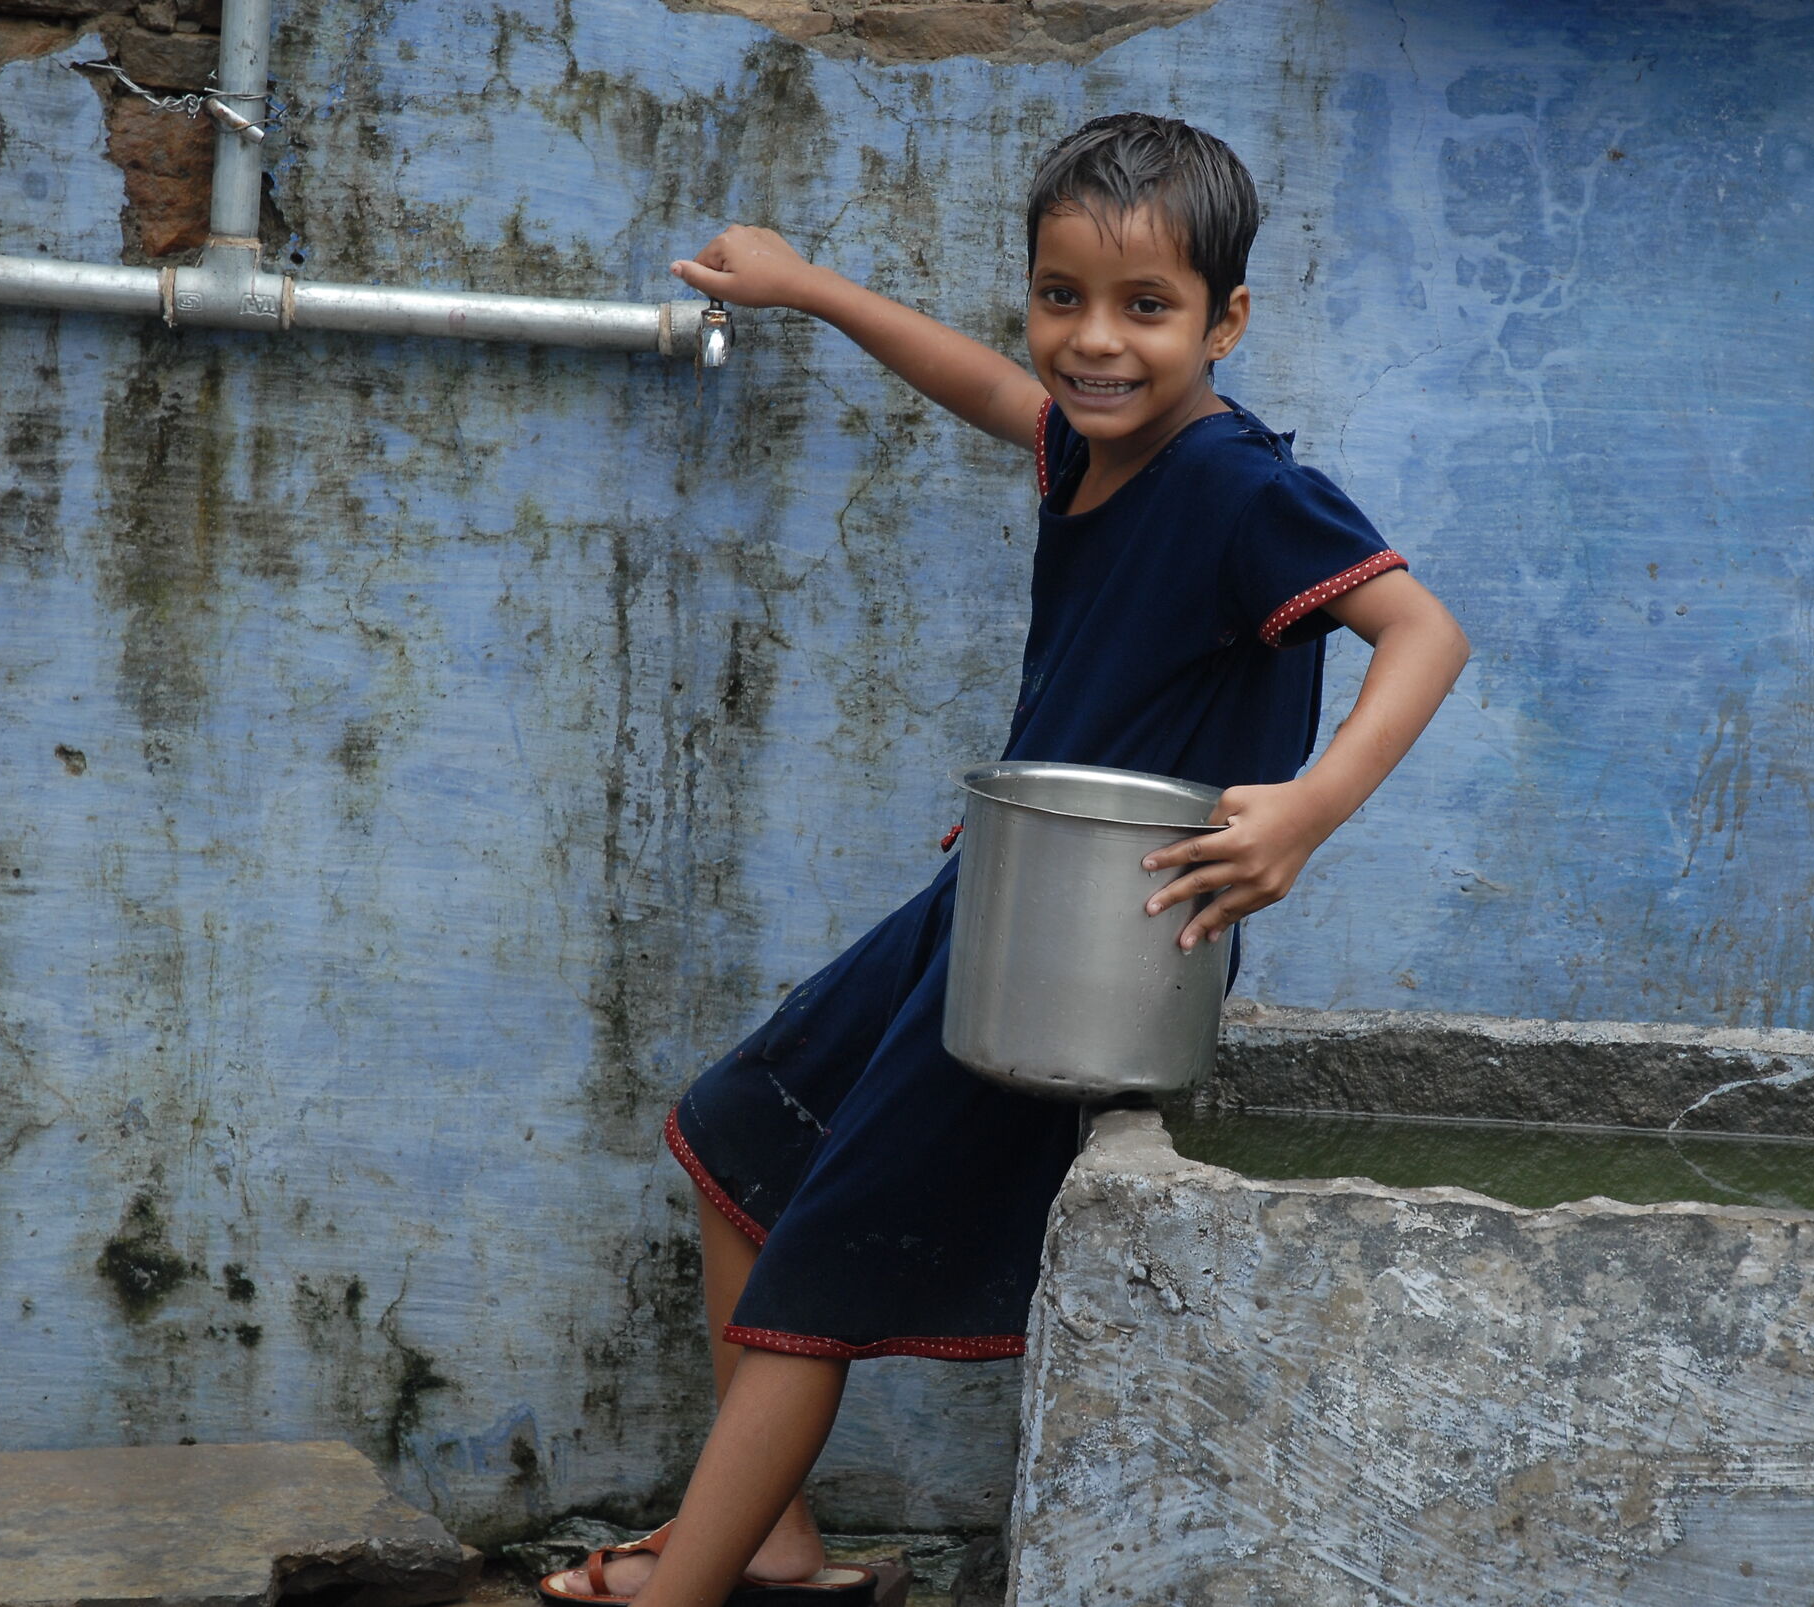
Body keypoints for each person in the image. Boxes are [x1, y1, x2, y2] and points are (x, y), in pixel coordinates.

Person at [540, 112, 1471, 1607]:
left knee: (813, 1279)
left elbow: (1424, 633)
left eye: (1147, 308)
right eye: (1062, 299)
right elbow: (978, 381)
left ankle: (686, 1588)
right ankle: (772, 1547)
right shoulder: (1087, 446)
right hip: (994, 898)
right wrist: (808, 284)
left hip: (1096, 942)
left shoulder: (1241, 487)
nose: (1094, 344)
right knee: (738, 1139)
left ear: (1228, 320)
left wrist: (1304, 809)